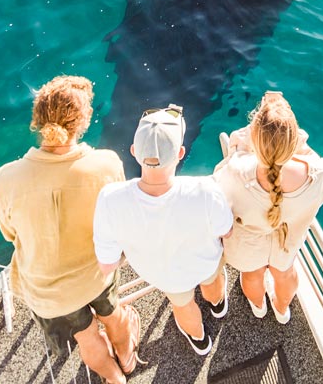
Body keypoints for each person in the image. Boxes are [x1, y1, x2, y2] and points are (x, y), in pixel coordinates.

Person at [0, 75, 140, 384]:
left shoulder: (5, 179)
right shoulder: (106, 165)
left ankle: (114, 378)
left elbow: (9, 234)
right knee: (114, 316)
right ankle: (126, 356)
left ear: (38, 120)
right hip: (96, 274)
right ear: (83, 121)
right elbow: (118, 217)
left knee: (87, 339)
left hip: (49, 294)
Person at [93, 105, 233, 356]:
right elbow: (227, 231)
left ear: (134, 152)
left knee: (182, 304)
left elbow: (107, 265)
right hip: (204, 263)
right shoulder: (205, 189)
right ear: (180, 153)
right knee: (212, 280)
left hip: (164, 275)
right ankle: (218, 305)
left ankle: (201, 341)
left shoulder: (110, 199)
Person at [214, 91, 323, 324]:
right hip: (286, 242)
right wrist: (288, 126)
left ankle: (258, 307)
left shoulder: (237, 172)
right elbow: (315, 163)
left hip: (248, 243)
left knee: (252, 275)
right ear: (293, 142)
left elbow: (220, 190)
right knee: (285, 274)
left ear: (256, 140)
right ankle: (281, 310)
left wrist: (246, 137)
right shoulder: (318, 176)